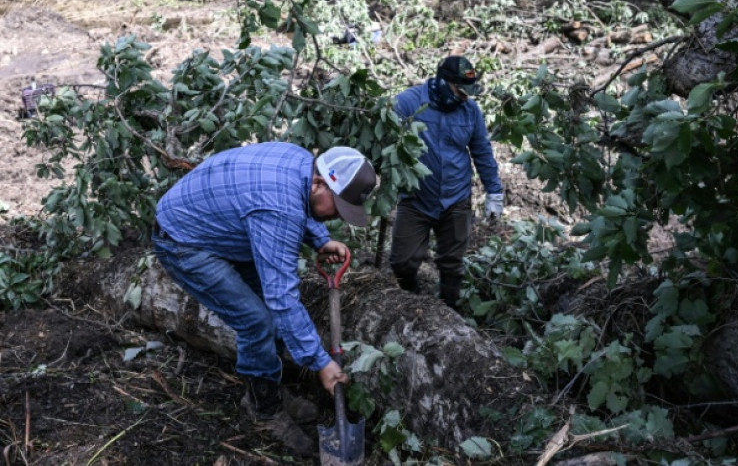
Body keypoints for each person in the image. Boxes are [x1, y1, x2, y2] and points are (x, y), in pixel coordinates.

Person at [151, 142, 377, 457]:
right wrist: (320, 362)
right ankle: (264, 410)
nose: (338, 214)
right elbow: (281, 297)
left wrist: (320, 239)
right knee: (257, 320)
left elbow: (302, 205)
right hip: (184, 241)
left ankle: (269, 387)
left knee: (270, 316)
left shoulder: (302, 164)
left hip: (225, 228)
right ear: (319, 183)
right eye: (338, 206)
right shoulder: (278, 210)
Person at [390, 55, 504, 310]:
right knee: (402, 262)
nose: (465, 96)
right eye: (460, 90)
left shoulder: (470, 111)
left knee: (452, 262)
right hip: (416, 197)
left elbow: (481, 151)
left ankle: (448, 310)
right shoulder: (408, 103)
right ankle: (412, 299)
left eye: (469, 92)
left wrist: (494, 191)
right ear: (443, 82)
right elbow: (383, 138)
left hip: (456, 197)